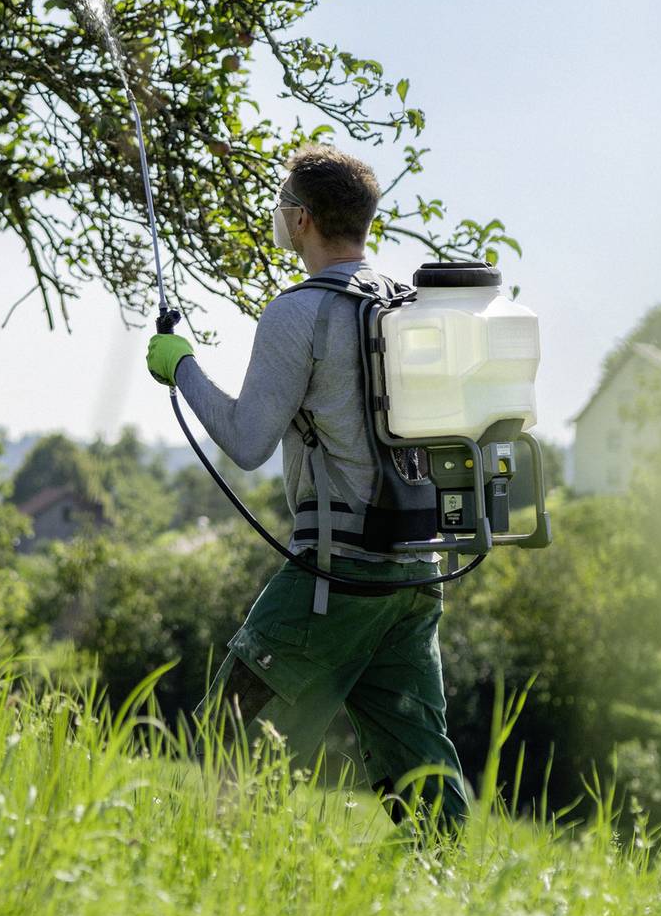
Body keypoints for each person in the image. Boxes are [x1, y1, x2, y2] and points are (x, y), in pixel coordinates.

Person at [147, 144, 473, 835]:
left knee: (232, 733)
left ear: (299, 220)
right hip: (417, 572)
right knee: (419, 759)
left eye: (280, 205)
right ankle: (455, 906)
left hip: (336, 572)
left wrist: (181, 368)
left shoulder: (298, 312)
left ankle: (218, 877)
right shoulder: (406, 305)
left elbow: (246, 441)